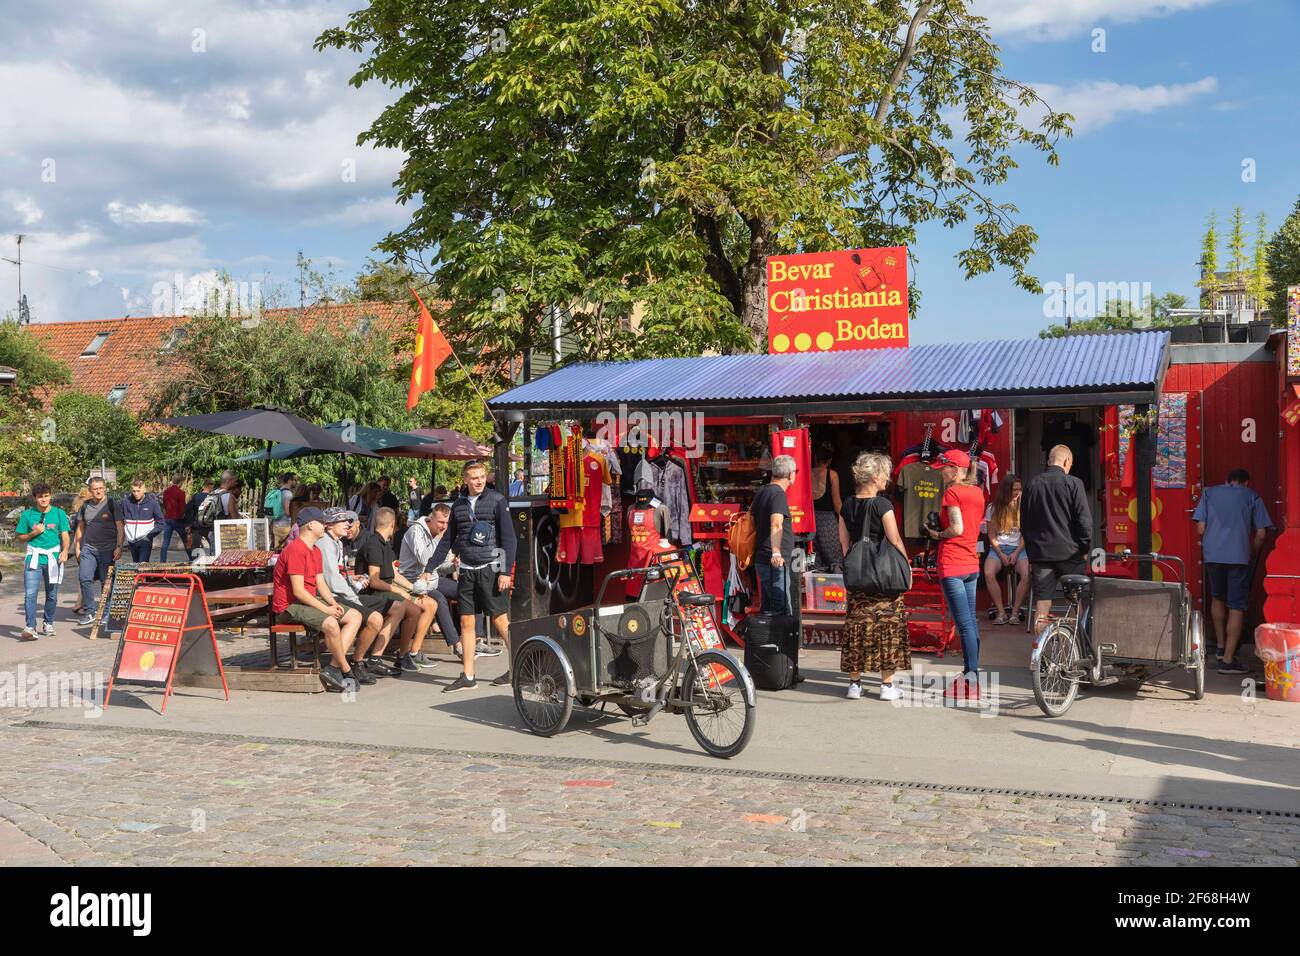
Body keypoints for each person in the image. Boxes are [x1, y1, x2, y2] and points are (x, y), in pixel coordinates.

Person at [428, 460, 517, 692]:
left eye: (481, 476)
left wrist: (505, 572)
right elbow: (449, 540)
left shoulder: (497, 500)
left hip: (491, 568)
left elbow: (509, 539)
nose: (478, 481)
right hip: (467, 570)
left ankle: (519, 666)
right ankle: (468, 675)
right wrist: (430, 566)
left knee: (499, 620)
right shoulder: (457, 505)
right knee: (466, 622)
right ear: (465, 479)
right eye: (473, 477)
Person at [837, 453, 910, 700]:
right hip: (884, 577)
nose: (887, 479)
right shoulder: (882, 505)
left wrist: (855, 565)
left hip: (858, 577)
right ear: (876, 477)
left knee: (857, 627)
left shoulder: (846, 505)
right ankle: (887, 686)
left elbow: (844, 543)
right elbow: (894, 538)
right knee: (887, 627)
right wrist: (905, 564)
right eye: (885, 475)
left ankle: (854, 684)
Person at [270, 506, 365, 693]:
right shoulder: (295, 549)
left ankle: (332, 668)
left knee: (355, 616)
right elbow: (298, 591)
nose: (325, 525)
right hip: (289, 607)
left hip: (307, 601)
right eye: (322, 522)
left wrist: (332, 603)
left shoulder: (315, 550)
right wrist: (326, 610)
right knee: (331, 623)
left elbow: (320, 582)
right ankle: (345, 669)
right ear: (311, 525)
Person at [1193, 468, 1273, 674]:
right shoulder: (1252, 496)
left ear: (1227, 481)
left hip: (1213, 556)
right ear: (1246, 483)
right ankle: (1228, 661)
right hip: (1239, 557)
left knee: (1217, 598)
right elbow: (1262, 534)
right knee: (1236, 606)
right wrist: (1252, 552)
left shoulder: (1209, 493)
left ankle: (1220, 648)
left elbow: (1200, 528)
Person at [924, 449, 986, 699]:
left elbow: (956, 527)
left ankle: (971, 677)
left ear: (957, 469)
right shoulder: (978, 492)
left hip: (952, 563)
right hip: (971, 563)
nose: (942, 474)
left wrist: (937, 535)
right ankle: (972, 673)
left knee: (964, 624)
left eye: (945, 469)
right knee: (970, 621)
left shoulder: (952, 492)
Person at [316, 508, 401, 681]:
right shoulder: (325, 543)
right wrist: (353, 595)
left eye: (348, 521)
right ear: (330, 525)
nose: (348, 524)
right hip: (332, 596)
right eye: (343, 521)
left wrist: (351, 579)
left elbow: (337, 574)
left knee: (398, 607)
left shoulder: (337, 542)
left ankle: (369, 659)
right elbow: (331, 581)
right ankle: (353, 663)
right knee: (375, 619)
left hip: (344, 592)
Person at [1021, 444, 1092, 634]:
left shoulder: (1032, 484)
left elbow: (1025, 523)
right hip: (1070, 554)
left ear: (1048, 461)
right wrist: (1085, 549)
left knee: (1042, 607)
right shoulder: (1074, 483)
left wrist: (1031, 553)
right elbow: (1084, 521)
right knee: (1078, 603)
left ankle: (1040, 655)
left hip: (1041, 556)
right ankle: (1079, 648)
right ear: (1067, 461)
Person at [355, 506, 432, 673]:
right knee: (407, 608)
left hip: (386, 588)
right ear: (392, 524)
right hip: (371, 592)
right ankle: (378, 656)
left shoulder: (385, 544)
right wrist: (398, 591)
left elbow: (393, 573)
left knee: (423, 607)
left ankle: (404, 656)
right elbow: (374, 581)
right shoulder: (373, 544)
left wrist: (412, 588)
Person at [399, 502, 469, 665]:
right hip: (414, 581)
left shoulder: (441, 534)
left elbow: (441, 566)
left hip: (434, 579)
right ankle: (457, 645)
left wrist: (453, 565)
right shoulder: (416, 531)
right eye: (441, 523)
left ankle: (476, 639)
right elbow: (424, 560)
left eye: (447, 523)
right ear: (431, 519)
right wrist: (439, 539)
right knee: (439, 600)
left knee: (466, 591)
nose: (444, 527)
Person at [16, 483, 71, 641]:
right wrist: (34, 532)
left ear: (50, 495)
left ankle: (48, 623)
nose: (44, 499)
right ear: (35, 498)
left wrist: (65, 551)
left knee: (52, 595)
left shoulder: (59, 513)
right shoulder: (27, 515)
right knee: (30, 594)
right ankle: (30, 627)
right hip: (33, 558)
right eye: (40, 497)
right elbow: (20, 538)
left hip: (53, 558)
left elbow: (65, 535)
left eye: (46, 496)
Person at [74, 477, 124, 627]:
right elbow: (80, 528)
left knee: (106, 582)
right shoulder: (85, 506)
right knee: (84, 578)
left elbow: (120, 527)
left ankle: (107, 612)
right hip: (88, 549)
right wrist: (77, 548)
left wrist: (119, 546)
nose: (98, 491)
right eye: (95, 489)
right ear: (90, 490)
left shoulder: (111, 504)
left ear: (104, 488)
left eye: (101, 488)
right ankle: (90, 611)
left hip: (108, 549)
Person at [751, 454, 797, 614]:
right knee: (782, 611)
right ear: (791, 474)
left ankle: (765, 639)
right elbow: (776, 523)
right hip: (774, 563)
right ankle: (779, 640)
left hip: (763, 559)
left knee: (768, 608)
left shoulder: (763, 491)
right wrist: (776, 552)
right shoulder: (778, 494)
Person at [982, 475, 1030, 625]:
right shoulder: (993, 508)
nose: (1018, 492)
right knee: (988, 572)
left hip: (1019, 548)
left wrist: (1016, 553)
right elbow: (991, 534)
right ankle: (1001, 613)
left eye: (1019, 489)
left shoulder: (1024, 507)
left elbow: (1026, 535)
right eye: (1014, 489)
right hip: (998, 548)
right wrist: (1001, 553)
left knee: (1027, 573)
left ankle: (1015, 612)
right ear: (1006, 490)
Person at [811, 441, 843, 571]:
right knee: (835, 559)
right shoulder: (832, 475)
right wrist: (844, 521)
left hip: (811, 521)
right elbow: (837, 503)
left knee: (814, 558)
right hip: (828, 522)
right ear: (829, 460)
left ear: (814, 458)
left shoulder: (806, 474)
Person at [122, 478, 165, 563]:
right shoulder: (126, 502)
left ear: (144, 490)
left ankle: (144, 577)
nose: (136, 493)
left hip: (145, 540)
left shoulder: (153, 503)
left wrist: (149, 536)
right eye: (133, 491)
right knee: (136, 564)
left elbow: (161, 523)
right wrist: (126, 535)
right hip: (132, 541)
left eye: (138, 491)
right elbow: (120, 519)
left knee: (142, 565)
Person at [67, 485, 93, 614]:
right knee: (87, 578)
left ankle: (80, 603)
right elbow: (79, 533)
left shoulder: (77, 510)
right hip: (85, 546)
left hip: (80, 546)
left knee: (85, 577)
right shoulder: (86, 511)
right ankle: (80, 604)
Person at [160, 475, 190, 562]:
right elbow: (182, 508)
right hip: (177, 519)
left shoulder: (166, 492)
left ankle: (162, 561)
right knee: (185, 540)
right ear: (180, 482)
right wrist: (183, 519)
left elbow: (165, 505)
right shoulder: (181, 492)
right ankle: (191, 558)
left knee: (165, 542)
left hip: (168, 518)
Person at [183, 479, 216, 555]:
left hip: (197, 526)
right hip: (209, 526)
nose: (213, 488)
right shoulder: (213, 498)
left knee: (196, 548)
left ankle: (196, 564)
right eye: (212, 487)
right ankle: (213, 563)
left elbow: (187, 510)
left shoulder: (196, 496)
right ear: (209, 486)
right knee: (213, 547)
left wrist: (188, 524)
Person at [268, 472, 298, 549]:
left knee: (277, 549)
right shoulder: (288, 494)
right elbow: (287, 512)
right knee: (286, 550)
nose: (296, 482)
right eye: (295, 480)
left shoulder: (279, 491)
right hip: (285, 526)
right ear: (289, 481)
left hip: (276, 525)